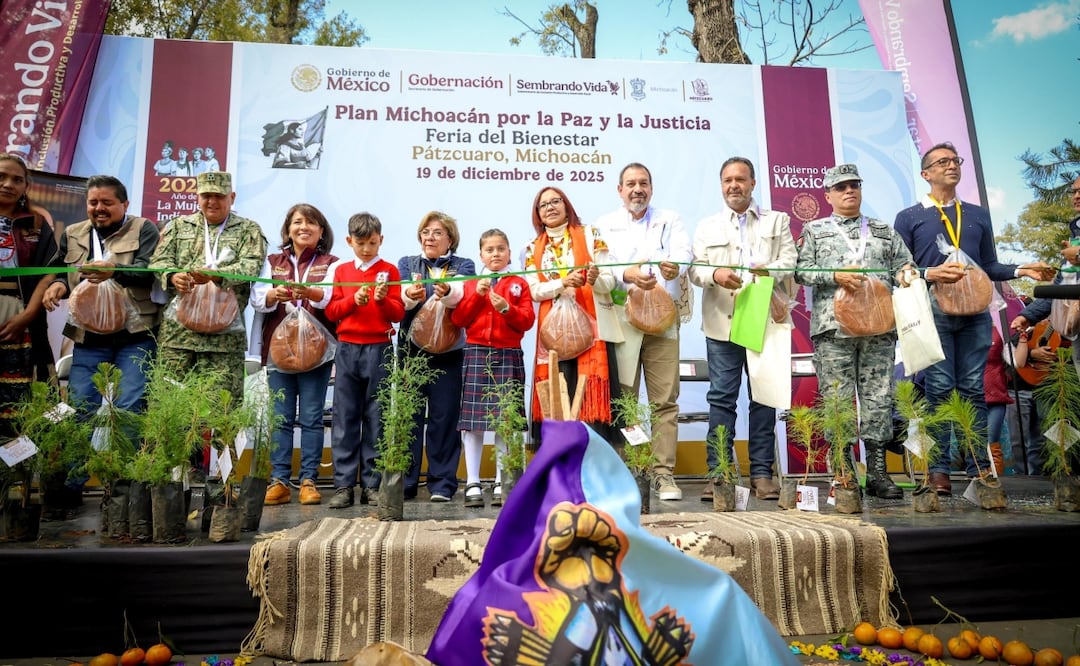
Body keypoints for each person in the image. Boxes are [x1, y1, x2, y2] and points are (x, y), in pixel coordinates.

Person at [894, 141, 1054, 495]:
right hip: (932, 311)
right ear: (926, 174)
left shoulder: (978, 214)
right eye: (942, 162)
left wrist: (1021, 268)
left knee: (973, 390)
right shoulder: (909, 216)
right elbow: (900, 269)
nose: (951, 165)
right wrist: (931, 273)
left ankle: (980, 467)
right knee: (937, 391)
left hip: (977, 312)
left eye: (955, 160)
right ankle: (938, 473)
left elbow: (990, 265)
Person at [40, 175, 161, 511]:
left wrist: (114, 271)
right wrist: (57, 288)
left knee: (128, 410)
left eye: (107, 202)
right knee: (79, 410)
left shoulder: (144, 229)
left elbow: (150, 272)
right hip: (89, 337)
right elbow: (61, 273)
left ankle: (121, 489)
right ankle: (70, 487)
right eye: (93, 202)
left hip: (135, 336)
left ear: (124, 204)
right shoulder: (74, 233)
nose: (99, 208)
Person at [795, 163, 914, 499]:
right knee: (837, 399)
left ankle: (878, 474)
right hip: (834, 329)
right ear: (828, 194)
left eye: (854, 186)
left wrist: (907, 275)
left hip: (878, 327)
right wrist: (835, 276)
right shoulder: (815, 230)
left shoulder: (882, 230)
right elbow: (801, 271)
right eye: (841, 187)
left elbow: (905, 265)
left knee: (879, 398)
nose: (849, 191)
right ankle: (844, 473)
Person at [689, 157, 797, 501]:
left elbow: (790, 261)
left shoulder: (777, 220)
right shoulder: (707, 226)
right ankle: (719, 473)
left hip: (765, 319)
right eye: (727, 180)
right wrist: (716, 274)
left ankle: (762, 474)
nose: (733, 185)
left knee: (763, 398)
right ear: (721, 186)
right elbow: (695, 270)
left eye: (740, 179)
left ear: (752, 184)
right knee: (721, 398)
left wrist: (767, 271)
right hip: (723, 321)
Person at [593, 163, 692, 501]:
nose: (638, 189)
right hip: (623, 320)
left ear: (652, 188)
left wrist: (674, 266)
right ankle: (630, 472)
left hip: (663, 320)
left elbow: (684, 254)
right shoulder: (604, 224)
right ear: (619, 190)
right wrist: (628, 273)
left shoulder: (670, 218)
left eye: (644, 183)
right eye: (631, 184)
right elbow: (603, 265)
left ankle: (663, 475)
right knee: (625, 403)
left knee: (665, 401)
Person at [148, 171, 267, 404]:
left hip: (224, 339)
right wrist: (173, 276)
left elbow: (251, 266)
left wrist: (217, 276)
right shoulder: (178, 226)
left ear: (232, 197)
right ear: (197, 196)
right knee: (170, 405)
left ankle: (220, 443)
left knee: (222, 407)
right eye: (206, 195)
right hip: (178, 337)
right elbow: (158, 261)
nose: (212, 201)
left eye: (219, 196)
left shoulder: (248, 230)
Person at [251, 203, 339, 506]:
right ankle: (278, 480)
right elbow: (258, 299)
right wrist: (276, 293)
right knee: (281, 418)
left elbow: (331, 300)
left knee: (313, 418)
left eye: (311, 223)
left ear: (321, 230)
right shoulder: (272, 261)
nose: (304, 227)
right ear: (288, 228)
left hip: (317, 353)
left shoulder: (331, 263)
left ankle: (308, 480)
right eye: (298, 222)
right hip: (279, 350)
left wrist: (310, 293)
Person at [523, 186, 621, 450]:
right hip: (554, 335)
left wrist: (594, 279)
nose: (550, 207)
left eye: (556, 201)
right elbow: (533, 291)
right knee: (559, 394)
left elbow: (610, 280)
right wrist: (562, 283)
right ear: (538, 214)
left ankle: (596, 464)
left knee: (590, 394)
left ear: (567, 206)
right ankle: (561, 467)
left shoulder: (591, 234)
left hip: (592, 330)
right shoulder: (532, 248)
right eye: (543, 205)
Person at [449, 229, 535, 508]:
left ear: (509, 252)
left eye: (501, 249)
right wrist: (478, 296)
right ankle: (473, 481)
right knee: (473, 423)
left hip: (508, 353)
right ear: (481, 254)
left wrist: (508, 309)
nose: (495, 254)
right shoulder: (473, 282)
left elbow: (527, 322)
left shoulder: (518, 283)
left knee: (505, 421)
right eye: (489, 250)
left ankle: (502, 479)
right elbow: (460, 318)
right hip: (476, 353)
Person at [323, 213, 404, 508]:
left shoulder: (391, 270)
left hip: (379, 348)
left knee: (377, 417)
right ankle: (343, 485)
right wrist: (350, 302)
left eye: (372, 242)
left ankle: (372, 484)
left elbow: (397, 314)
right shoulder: (341, 270)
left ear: (381, 240)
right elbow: (331, 312)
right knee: (344, 417)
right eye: (360, 243)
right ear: (349, 241)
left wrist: (381, 300)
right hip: (347, 348)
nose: (367, 249)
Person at [398, 211, 476, 502]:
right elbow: (402, 301)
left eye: (437, 233)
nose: (430, 238)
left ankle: (442, 483)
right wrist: (410, 295)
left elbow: (461, 294)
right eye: (425, 232)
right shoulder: (407, 263)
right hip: (411, 352)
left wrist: (448, 292)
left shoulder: (464, 264)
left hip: (449, 353)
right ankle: (405, 482)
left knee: (445, 417)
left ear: (450, 239)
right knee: (410, 416)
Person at [0, 153, 58, 437]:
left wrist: (26, 316)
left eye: (16, 179)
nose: (8, 184)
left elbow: (49, 273)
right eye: (2, 177)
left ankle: (19, 475)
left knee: (25, 395)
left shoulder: (36, 223)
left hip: (21, 312)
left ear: (26, 186)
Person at [1010, 174, 1080, 379]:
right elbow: (1059, 291)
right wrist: (1027, 316)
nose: (1076, 196)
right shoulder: (1073, 237)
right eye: (1074, 191)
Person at [984, 325, 1014, 476]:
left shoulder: (1000, 330)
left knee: (992, 441)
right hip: (969, 394)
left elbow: (1015, 361)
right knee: (970, 443)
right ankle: (978, 476)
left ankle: (996, 480)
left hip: (995, 394)